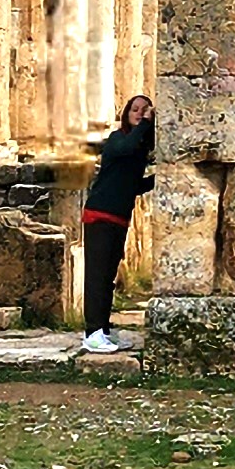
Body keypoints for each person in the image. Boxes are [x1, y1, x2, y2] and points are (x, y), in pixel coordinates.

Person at [76, 93, 155, 353]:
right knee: (97, 277)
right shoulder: (117, 139)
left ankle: (103, 330)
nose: (140, 113)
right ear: (126, 113)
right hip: (100, 215)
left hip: (118, 217)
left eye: (145, 109)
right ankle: (92, 333)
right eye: (135, 109)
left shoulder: (139, 149)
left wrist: (159, 179)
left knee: (108, 277)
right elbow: (127, 148)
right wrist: (146, 123)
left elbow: (132, 185)